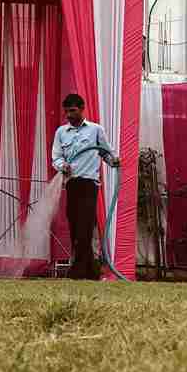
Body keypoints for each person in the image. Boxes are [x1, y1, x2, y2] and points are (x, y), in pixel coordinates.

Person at [51, 94, 120, 280]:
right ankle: (90, 271)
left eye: (72, 111)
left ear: (82, 109)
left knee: (85, 227)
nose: (69, 115)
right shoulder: (61, 133)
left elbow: (107, 153)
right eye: (66, 111)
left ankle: (78, 271)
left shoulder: (96, 130)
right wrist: (62, 165)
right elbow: (56, 157)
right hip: (71, 184)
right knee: (75, 227)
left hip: (89, 184)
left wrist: (113, 161)